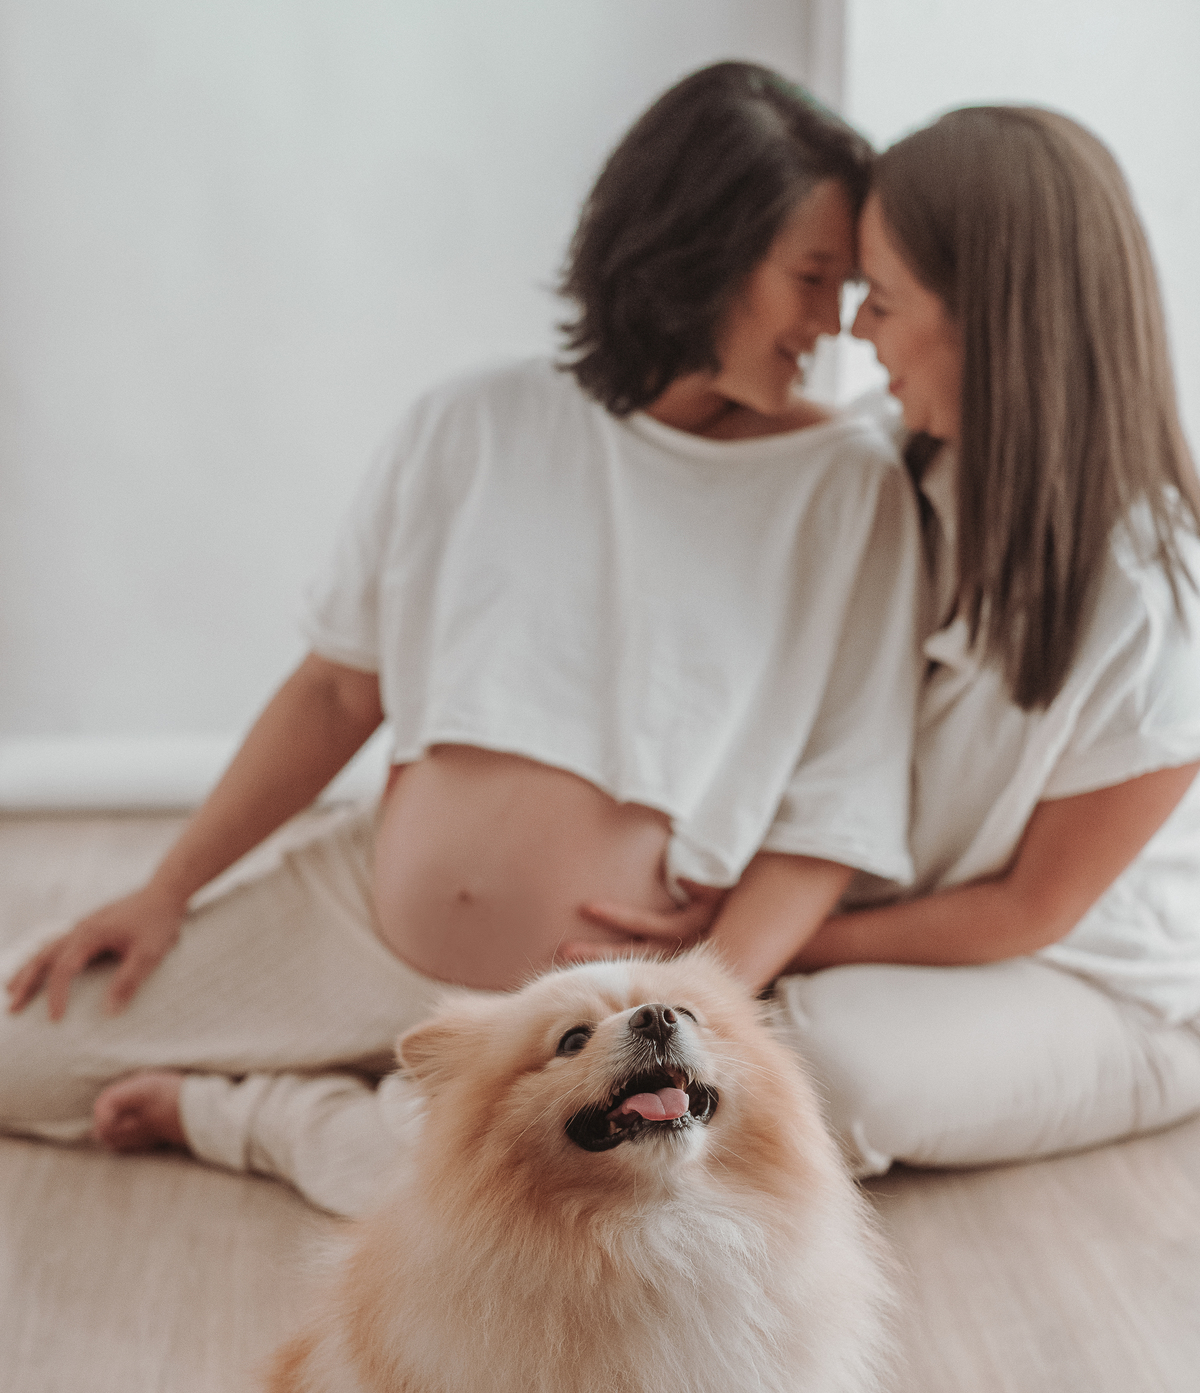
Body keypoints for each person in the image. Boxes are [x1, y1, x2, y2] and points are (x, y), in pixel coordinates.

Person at [0, 63, 923, 1215]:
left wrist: (706, 992)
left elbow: (834, 814)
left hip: (585, 1023)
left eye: (849, 288)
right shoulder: (476, 421)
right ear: (701, 247)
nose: (832, 324)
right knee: (17, 1052)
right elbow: (337, 692)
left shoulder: (845, 490)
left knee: (503, 1201)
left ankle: (255, 1110)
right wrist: (165, 890)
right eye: (812, 279)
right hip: (357, 916)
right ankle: (374, 1073)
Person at [580, 105, 1200, 1176]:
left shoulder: (1153, 603)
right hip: (900, 929)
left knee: (811, 1069)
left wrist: (755, 947)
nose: (855, 331)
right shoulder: (898, 462)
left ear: (991, 321)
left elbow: (1032, 909)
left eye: (882, 297)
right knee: (637, 1013)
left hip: (1094, 981)